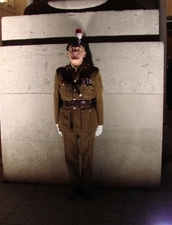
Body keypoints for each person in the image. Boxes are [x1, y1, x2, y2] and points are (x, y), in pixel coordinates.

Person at [53, 29, 104, 199]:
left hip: (88, 119)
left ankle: (86, 187)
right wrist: (56, 122)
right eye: (72, 50)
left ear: (84, 53)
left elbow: (99, 98)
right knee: (71, 157)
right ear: (68, 53)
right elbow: (56, 99)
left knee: (87, 156)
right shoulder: (60, 73)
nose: (75, 53)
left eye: (78, 50)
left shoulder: (93, 72)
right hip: (67, 120)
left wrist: (100, 122)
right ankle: (75, 187)